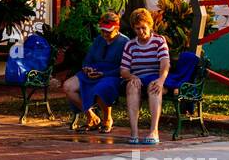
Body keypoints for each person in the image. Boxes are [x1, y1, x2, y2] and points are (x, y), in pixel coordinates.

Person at [63, 11, 128, 132]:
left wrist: (104, 74)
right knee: (68, 86)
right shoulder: (99, 40)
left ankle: (107, 119)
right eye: (102, 30)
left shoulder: (125, 42)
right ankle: (91, 117)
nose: (104, 34)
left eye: (108, 31)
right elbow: (89, 58)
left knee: (101, 88)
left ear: (117, 28)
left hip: (112, 75)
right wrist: (87, 68)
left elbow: (124, 67)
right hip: (93, 72)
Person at [120, 8, 170, 146]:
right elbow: (123, 70)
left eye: (143, 28)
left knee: (154, 87)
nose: (141, 32)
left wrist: (161, 80)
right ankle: (134, 132)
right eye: (137, 29)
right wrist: (132, 77)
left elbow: (165, 64)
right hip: (137, 78)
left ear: (150, 25)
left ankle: (154, 131)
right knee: (131, 86)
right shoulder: (130, 45)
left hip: (155, 77)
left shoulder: (159, 41)